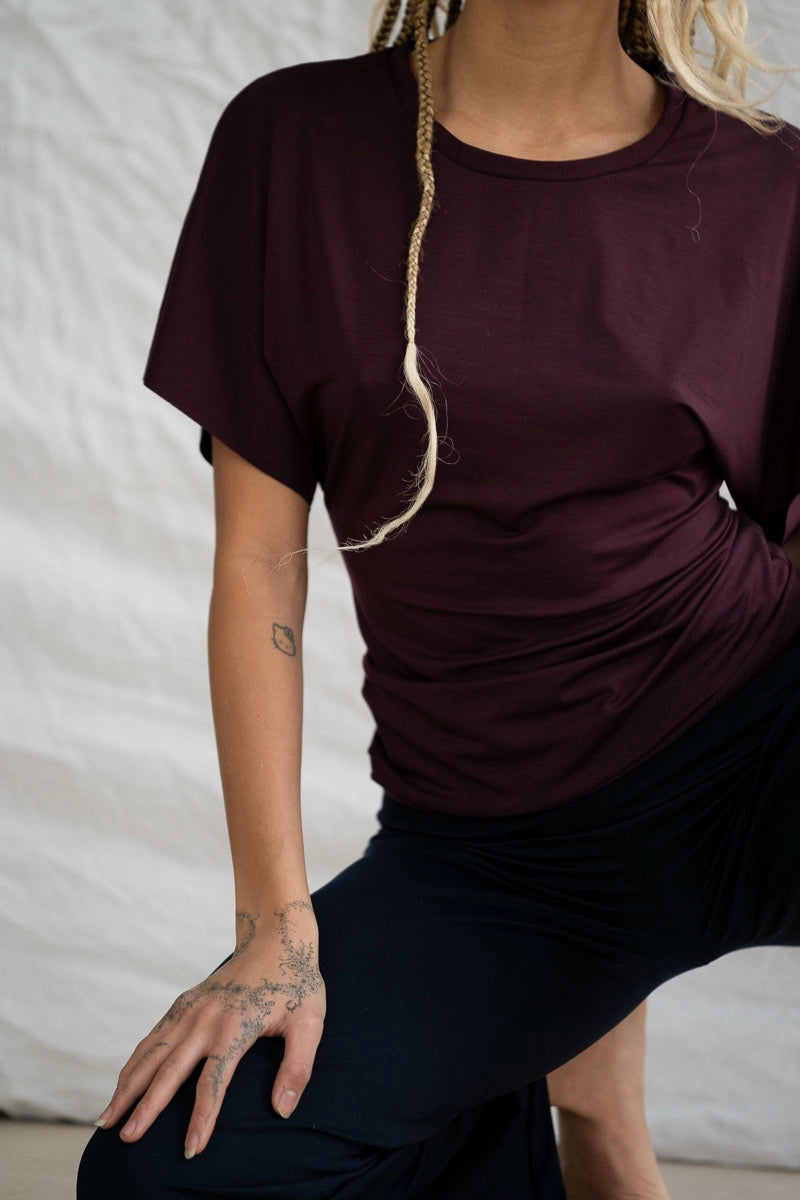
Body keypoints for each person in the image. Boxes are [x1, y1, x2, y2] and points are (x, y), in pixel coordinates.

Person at [77, 0, 800, 1196]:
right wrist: (274, 929)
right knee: (165, 1174)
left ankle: (594, 1098)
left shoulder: (761, 180)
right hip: (491, 851)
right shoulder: (296, 142)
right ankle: (557, 1107)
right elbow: (258, 559)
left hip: (741, 743)